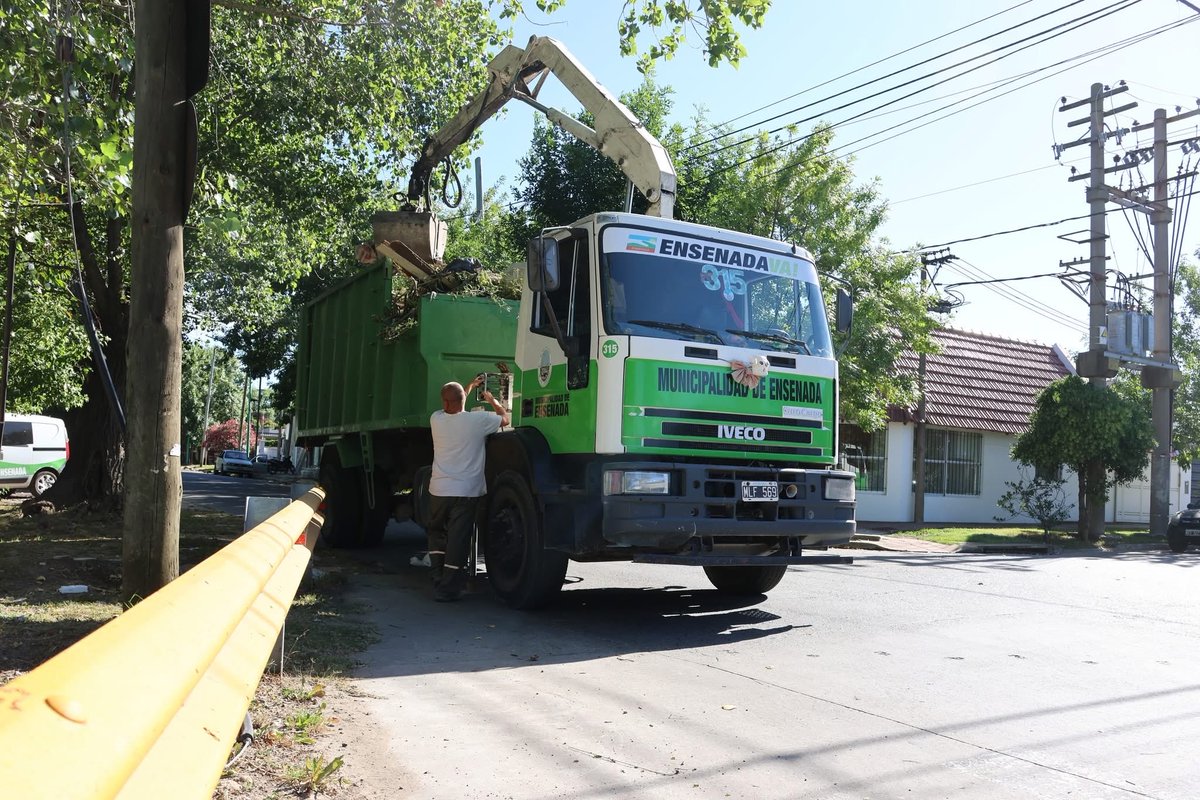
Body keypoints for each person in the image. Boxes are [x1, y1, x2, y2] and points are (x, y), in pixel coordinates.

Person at [427, 375, 509, 602]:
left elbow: (452, 402)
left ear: (444, 403)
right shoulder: (478, 420)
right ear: (463, 399)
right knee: (457, 540)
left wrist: (469, 386)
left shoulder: (436, 419)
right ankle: (448, 589)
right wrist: (491, 399)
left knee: (437, 533)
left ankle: (437, 576)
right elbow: (505, 419)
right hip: (466, 492)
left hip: (439, 490)